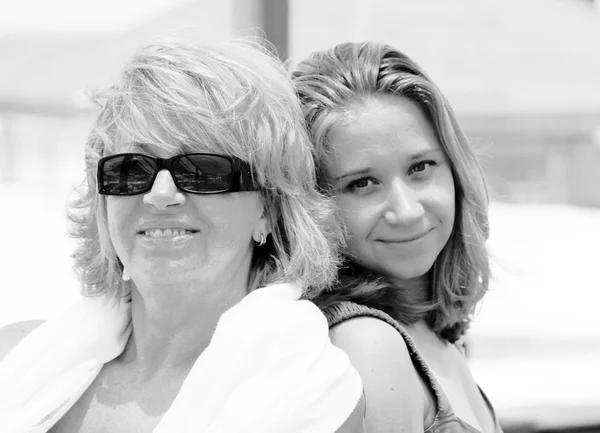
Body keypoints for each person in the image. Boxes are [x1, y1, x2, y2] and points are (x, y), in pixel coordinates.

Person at [0, 38, 365, 432]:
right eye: (131, 169)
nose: (160, 196)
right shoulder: (16, 356)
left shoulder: (310, 393)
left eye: (203, 170)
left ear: (269, 208)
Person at [292, 41, 503, 432]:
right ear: (312, 206)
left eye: (420, 167)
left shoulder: (435, 335)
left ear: (455, 169)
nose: (406, 211)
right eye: (362, 183)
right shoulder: (368, 344)